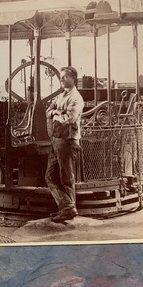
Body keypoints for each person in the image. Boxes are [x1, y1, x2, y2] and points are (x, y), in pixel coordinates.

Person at [45, 66, 84, 222]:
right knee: (50, 176)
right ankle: (67, 207)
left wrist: (56, 112)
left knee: (66, 178)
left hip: (67, 141)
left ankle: (67, 209)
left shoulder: (76, 98)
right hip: (56, 140)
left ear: (72, 78)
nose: (61, 80)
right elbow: (48, 112)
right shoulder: (61, 96)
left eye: (64, 77)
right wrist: (55, 112)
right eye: (60, 77)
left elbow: (69, 118)